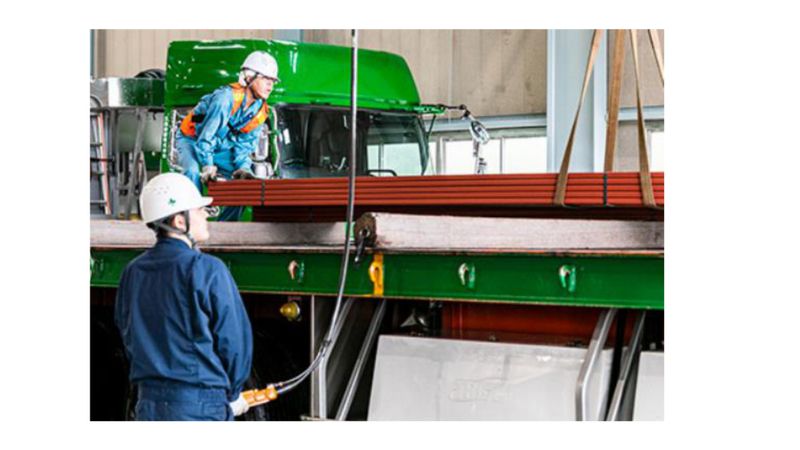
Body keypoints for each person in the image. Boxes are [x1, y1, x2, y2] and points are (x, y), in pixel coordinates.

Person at [114, 173, 253, 421]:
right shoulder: (208, 269)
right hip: (200, 405)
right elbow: (233, 342)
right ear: (180, 221)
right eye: (200, 211)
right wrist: (233, 394)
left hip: (148, 405)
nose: (206, 216)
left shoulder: (133, 271)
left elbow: (127, 335)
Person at [176, 50, 279, 221]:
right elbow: (206, 137)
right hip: (192, 140)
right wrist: (208, 165)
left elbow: (244, 146)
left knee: (243, 187)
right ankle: (193, 222)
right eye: (265, 79)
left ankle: (225, 227)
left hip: (219, 146)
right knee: (192, 172)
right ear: (249, 77)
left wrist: (243, 168)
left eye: (273, 81)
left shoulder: (260, 111)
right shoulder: (225, 98)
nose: (270, 85)